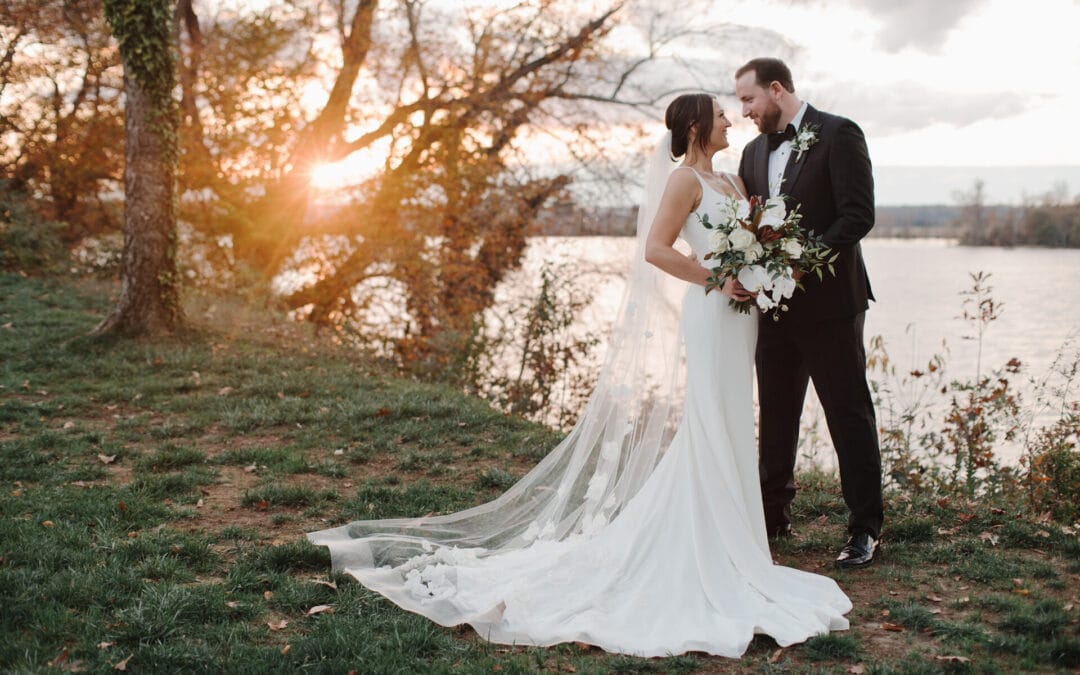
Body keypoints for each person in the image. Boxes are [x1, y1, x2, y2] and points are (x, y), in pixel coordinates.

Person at [307, 93, 851, 658]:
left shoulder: (735, 182)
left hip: (743, 318)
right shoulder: (682, 182)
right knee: (711, 417)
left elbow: (753, 237)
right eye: (719, 115)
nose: (730, 120)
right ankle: (705, 543)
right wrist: (717, 279)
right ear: (695, 126)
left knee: (736, 419)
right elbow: (656, 250)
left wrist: (763, 267)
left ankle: (736, 544)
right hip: (713, 312)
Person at [734, 57, 883, 568]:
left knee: (848, 412)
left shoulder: (839, 134)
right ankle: (773, 516)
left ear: (776, 90)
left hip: (831, 307)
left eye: (749, 100)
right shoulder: (752, 153)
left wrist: (803, 262)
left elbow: (858, 215)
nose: (745, 112)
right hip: (772, 311)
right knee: (775, 413)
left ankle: (865, 528)